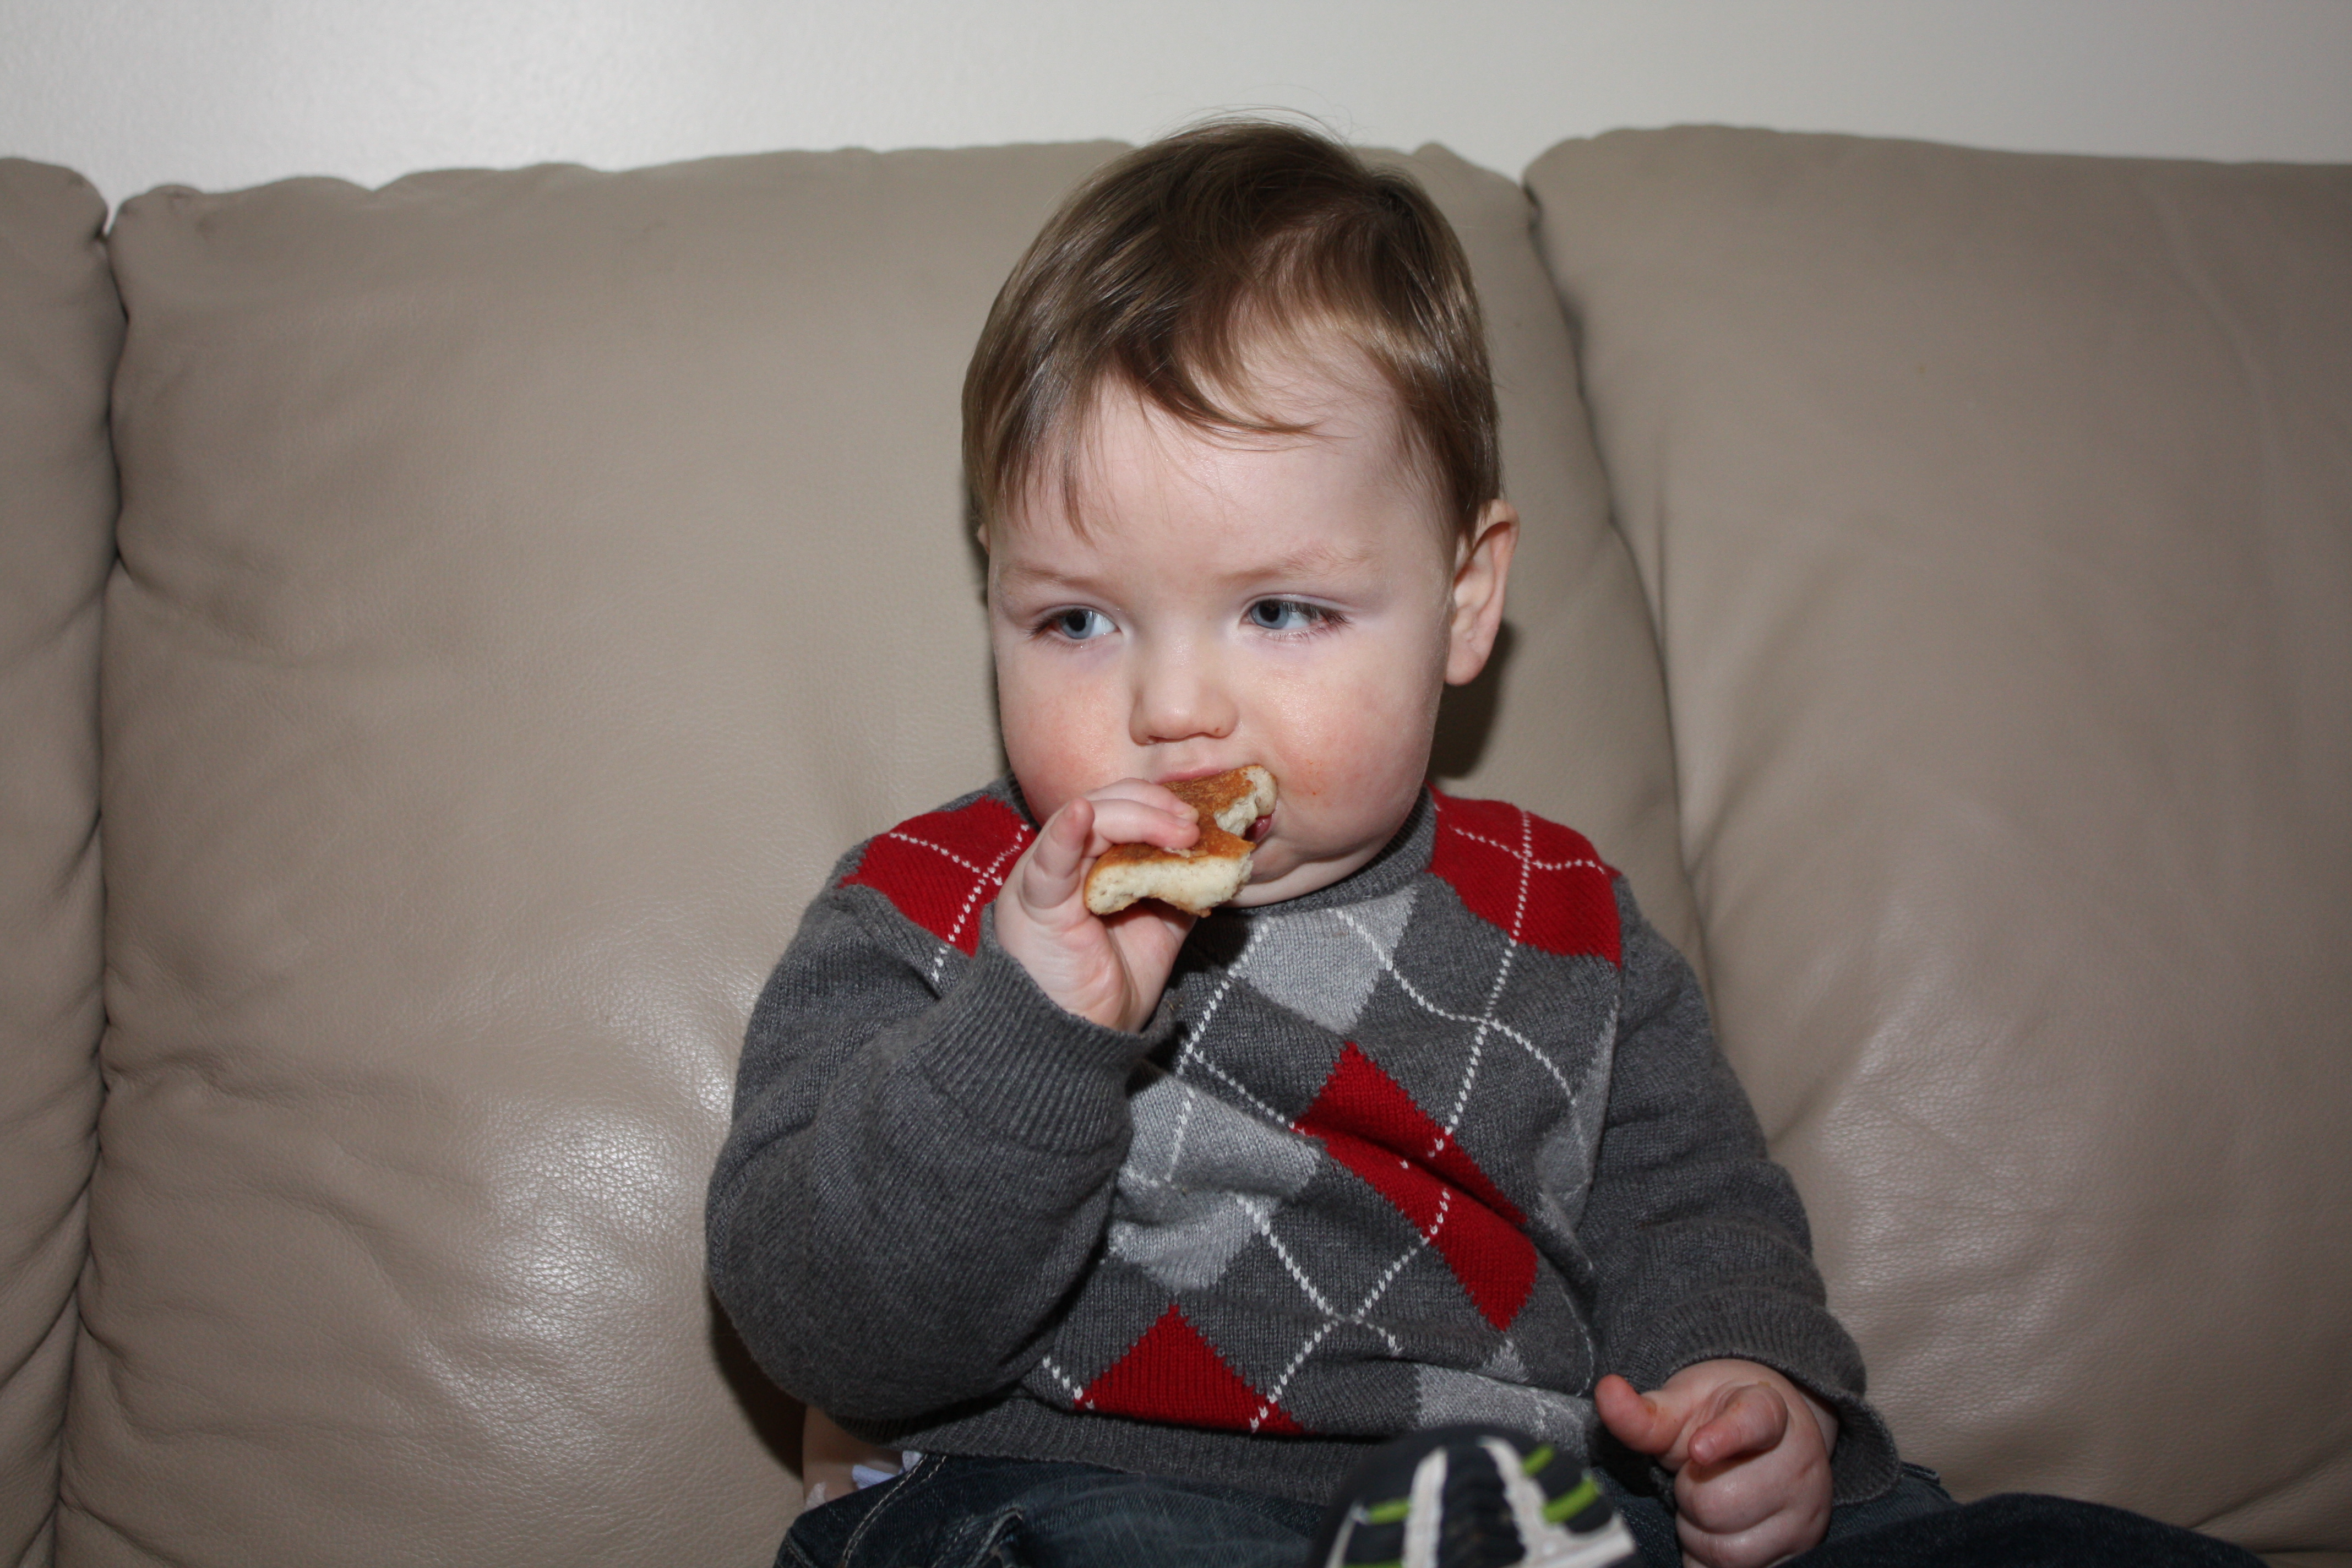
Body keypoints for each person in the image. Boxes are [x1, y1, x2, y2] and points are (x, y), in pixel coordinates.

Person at [705, 121, 2252, 1568]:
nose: (1172, 709)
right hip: (1084, 1487)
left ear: (1464, 602)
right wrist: (1033, 1030)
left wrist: (1746, 1387)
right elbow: (825, 1332)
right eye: (1077, 622)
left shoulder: (1563, 917)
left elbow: (1693, 1213)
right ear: (995, 600)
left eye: (1280, 610)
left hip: (1534, 1508)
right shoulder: (926, 910)